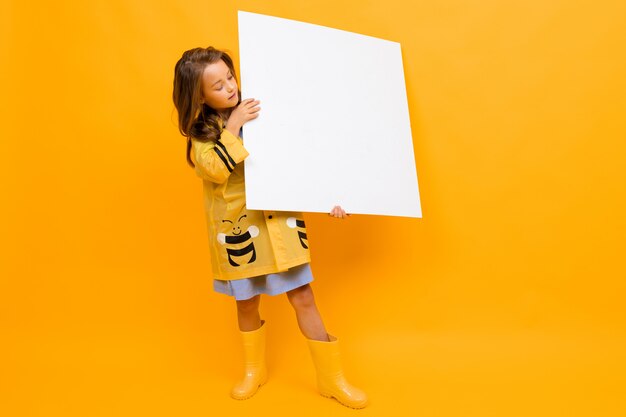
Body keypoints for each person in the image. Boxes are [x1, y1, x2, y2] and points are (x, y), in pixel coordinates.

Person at [172, 46, 368, 409]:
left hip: (280, 224)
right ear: (199, 96)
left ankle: (332, 379)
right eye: (218, 85)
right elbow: (214, 170)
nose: (230, 87)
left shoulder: (268, 110)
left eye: (230, 77)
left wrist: (332, 198)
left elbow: (303, 156)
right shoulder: (202, 133)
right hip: (240, 232)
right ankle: (253, 371)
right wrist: (233, 126)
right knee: (246, 303)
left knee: (304, 297)